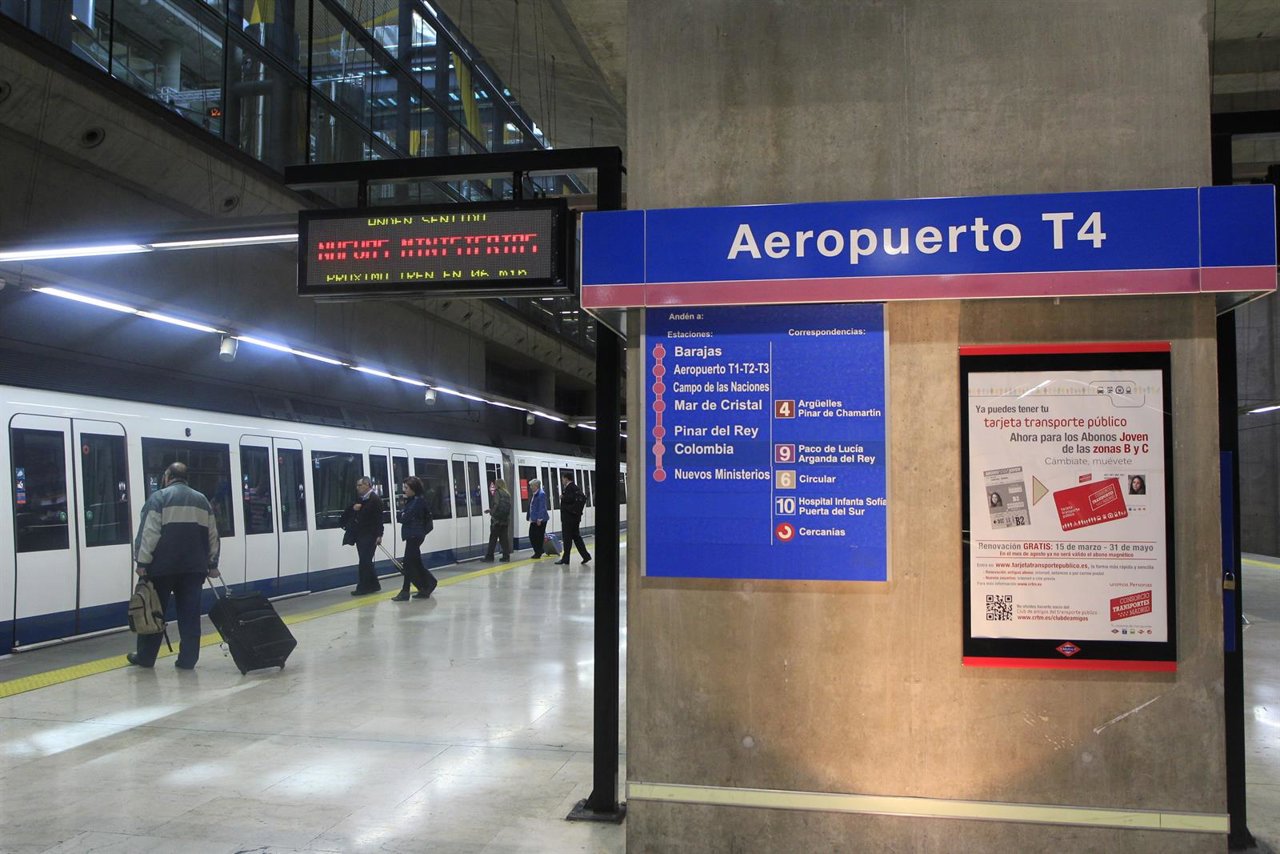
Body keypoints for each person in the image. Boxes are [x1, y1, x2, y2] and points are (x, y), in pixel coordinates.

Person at [126, 462, 220, 670]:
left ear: (167, 476)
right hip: (194, 569)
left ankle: (146, 657)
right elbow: (213, 535)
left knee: (154, 611)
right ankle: (188, 660)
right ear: (186, 478)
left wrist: (142, 562)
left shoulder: (159, 498)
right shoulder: (202, 501)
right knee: (190, 614)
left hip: (162, 568)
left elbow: (149, 533)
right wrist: (212, 563)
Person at [394, 476, 437, 601]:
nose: (404, 490)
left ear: (414, 489)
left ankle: (405, 591)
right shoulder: (414, 500)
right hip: (414, 535)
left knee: (408, 563)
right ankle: (428, 584)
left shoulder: (417, 502)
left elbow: (404, 517)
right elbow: (402, 516)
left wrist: (402, 514)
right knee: (415, 563)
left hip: (414, 535)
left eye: (406, 488)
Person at [350, 476, 384, 595]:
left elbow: (379, 519)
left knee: (365, 561)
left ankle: (363, 587)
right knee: (366, 560)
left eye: (360, 485)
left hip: (370, 535)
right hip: (362, 535)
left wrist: (380, 535)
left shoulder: (375, 500)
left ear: (367, 485)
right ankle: (374, 585)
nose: (357, 488)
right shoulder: (362, 499)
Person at [554, 472, 592, 566]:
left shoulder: (570, 487)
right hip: (574, 517)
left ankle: (566, 559)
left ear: (566, 478)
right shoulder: (575, 487)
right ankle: (586, 556)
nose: (562, 480)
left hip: (569, 518)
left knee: (567, 539)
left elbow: (570, 499)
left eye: (563, 478)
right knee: (576, 537)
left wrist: (563, 497)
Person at [485, 478, 512, 562]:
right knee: (504, 539)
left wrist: (492, 512)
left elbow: (496, 504)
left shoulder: (497, 492)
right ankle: (506, 556)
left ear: (498, 484)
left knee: (493, 538)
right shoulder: (507, 493)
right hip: (505, 520)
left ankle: (490, 556)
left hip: (497, 520)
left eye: (496, 483)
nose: (495, 485)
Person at [526, 478, 548, 558]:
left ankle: (538, 552)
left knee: (537, 536)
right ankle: (539, 550)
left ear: (536, 486)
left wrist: (539, 519)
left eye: (531, 485)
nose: (530, 487)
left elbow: (542, 507)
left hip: (540, 520)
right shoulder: (535, 494)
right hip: (534, 519)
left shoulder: (541, 494)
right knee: (533, 535)